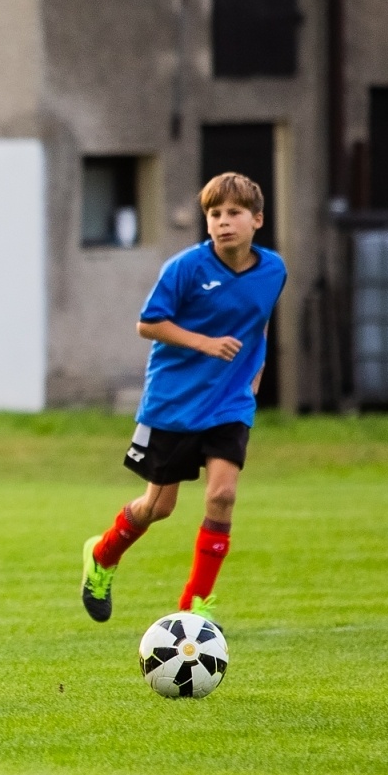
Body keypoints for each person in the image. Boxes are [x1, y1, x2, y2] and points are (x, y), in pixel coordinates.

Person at [79, 172, 286, 624]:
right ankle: (103, 555)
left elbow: (258, 319)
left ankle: (195, 606)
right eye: (214, 214)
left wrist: (258, 368)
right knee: (158, 506)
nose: (223, 222)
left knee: (223, 495)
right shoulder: (185, 268)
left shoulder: (274, 270)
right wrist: (205, 343)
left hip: (230, 403)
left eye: (234, 213)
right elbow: (149, 324)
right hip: (174, 401)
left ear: (257, 220)